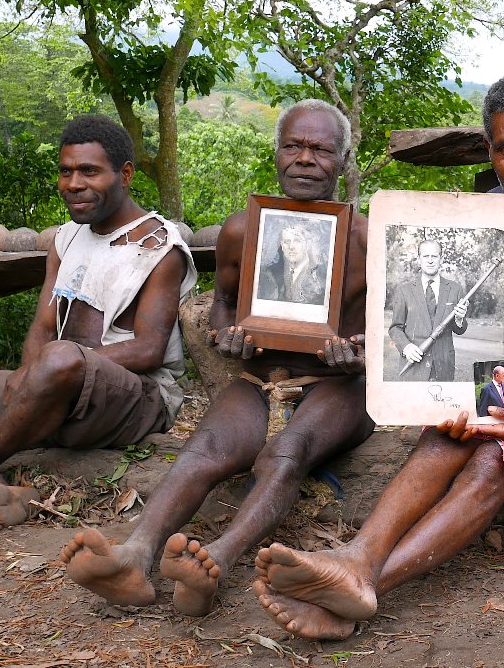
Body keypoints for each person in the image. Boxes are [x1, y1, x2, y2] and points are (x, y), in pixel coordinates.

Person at [254, 72, 504, 640]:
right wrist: (421, 375)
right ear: (490, 154)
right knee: (451, 429)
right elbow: (449, 314)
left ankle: (362, 588)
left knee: (496, 458)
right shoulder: (486, 212)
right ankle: (357, 554)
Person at [60, 99, 373, 616]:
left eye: (321, 149)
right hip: (259, 376)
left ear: (343, 160)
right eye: (293, 146)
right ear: (276, 153)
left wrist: (357, 356)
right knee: (203, 450)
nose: (305, 159)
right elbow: (225, 301)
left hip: (339, 386)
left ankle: (218, 560)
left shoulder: (367, 239)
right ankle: (135, 555)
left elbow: (395, 330)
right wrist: (227, 330)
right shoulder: (243, 230)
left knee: (285, 453)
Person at [0, 115, 197, 531]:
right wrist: (32, 374)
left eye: (89, 171)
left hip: (133, 401)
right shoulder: (66, 238)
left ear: (125, 175)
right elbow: (44, 326)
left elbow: (148, 349)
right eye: (66, 171)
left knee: (61, 357)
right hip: (52, 391)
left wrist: (48, 368)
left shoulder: (158, 247)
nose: (73, 183)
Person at [388, 240, 469, 381]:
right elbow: (395, 328)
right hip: (413, 367)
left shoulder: (455, 289)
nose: (430, 261)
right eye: (426, 256)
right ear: (419, 259)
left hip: (444, 367)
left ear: (441, 259)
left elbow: (459, 330)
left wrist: (460, 319)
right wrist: (406, 347)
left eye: (434, 256)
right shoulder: (404, 290)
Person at [258, 223, 327, 305]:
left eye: (297, 241)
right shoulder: (272, 274)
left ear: (307, 245)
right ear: (282, 246)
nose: (291, 247)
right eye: (287, 242)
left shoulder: (321, 276)